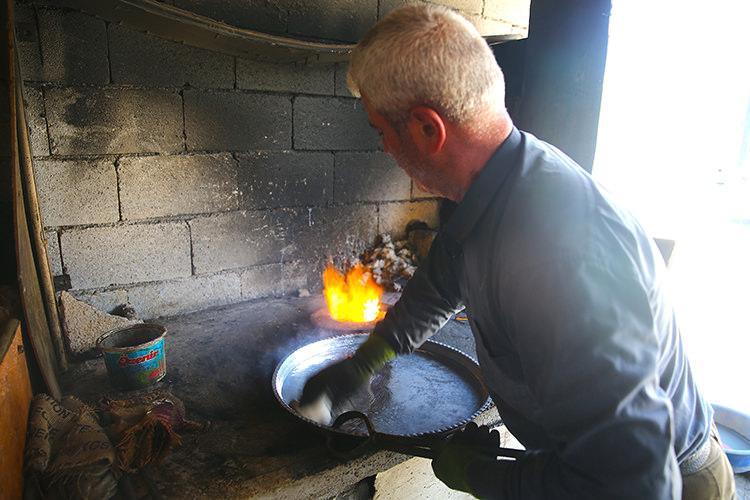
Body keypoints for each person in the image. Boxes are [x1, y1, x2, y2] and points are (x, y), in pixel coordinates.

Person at [299, 5, 736, 499]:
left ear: (427, 128)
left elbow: (631, 485)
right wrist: (364, 361)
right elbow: (439, 284)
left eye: (382, 131)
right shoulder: (497, 186)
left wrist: (479, 476)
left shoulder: (562, 253)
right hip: (576, 460)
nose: (384, 150)